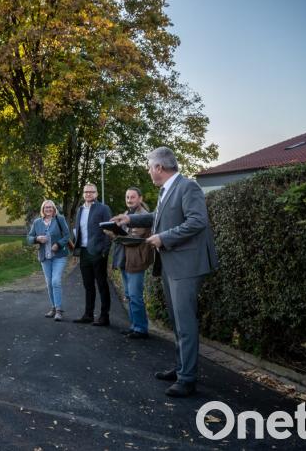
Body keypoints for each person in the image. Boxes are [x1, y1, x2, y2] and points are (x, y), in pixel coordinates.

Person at [111, 146, 218, 397]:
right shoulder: (166, 191)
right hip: (172, 265)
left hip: (187, 266)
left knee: (185, 322)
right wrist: (129, 220)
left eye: (150, 167)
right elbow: (156, 217)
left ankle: (187, 378)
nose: (149, 171)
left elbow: (197, 221)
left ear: (159, 167)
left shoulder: (187, 186)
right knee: (177, 321)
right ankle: (182, 368)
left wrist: (163, 238)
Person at [108, 187, 154, 339]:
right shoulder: (127, 214)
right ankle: (134, 326)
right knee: (128, 295)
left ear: (140, 199)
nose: (129, 200)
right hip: (125, 260)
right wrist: (113, 230)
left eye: (132, 197)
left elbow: (133, 239)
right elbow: (125, 236)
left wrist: (115, 234)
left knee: (135, 296)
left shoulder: (143, 215)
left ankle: (141, 328)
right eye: (127, 197)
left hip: (136, 260)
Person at [72, 183, 113, 326]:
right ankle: (88, 314)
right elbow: (78, 231)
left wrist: (105, 251)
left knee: (102, 285)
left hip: (98, 253)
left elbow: (109, 231)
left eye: (91, 192)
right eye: (86, 192)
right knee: (88, 285)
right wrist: (76, 251)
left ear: (96, 194)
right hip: (84, 252)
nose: (88, 194)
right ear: (83, 194)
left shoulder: (103, 208)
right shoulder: (80, 210)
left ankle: (104, 316)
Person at [26, 200, 71, 321]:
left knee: (56, 281)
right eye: (46, 207)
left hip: (59, 256)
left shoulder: (59, 219)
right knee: (49, 283)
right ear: (43, 209)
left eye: (51, 207)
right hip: (45, 258)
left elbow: (67, 235)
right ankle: (53, 307)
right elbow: (29, 238)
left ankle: (59, 310)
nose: (49, 209)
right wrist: (37, 238)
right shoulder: (37, 222)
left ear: (54, 209)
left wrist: (58, 244)